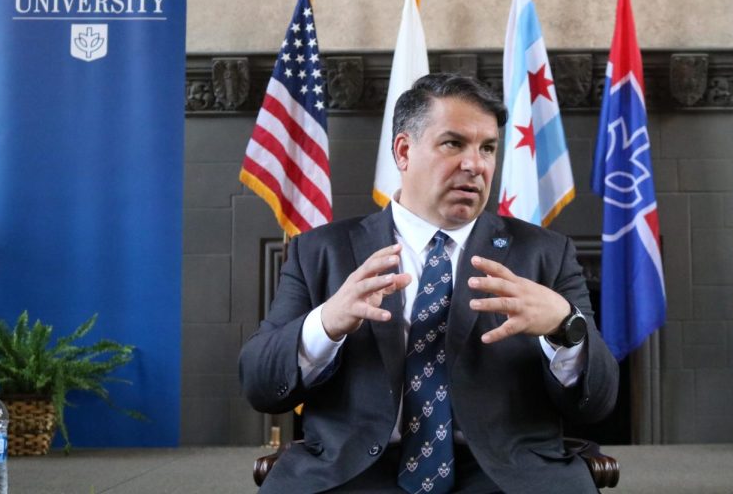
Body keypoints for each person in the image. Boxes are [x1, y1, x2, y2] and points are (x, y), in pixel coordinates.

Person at [239, 73, 619, 493]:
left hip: (506, 473)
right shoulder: (320, 252)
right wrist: (325, 323)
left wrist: (565, 326)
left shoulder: (545, 254)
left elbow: (598, 402)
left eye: (488, 148)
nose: (475, 164)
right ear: (403, 151)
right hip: (351, 472)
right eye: (453, 144)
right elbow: (260, 385)